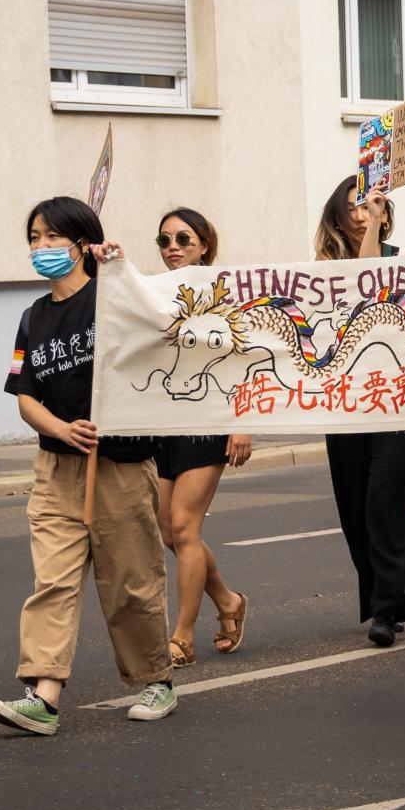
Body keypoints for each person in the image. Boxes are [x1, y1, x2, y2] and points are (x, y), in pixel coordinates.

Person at [0, 197, 175, 735]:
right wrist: (61, 428)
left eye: (51, 237)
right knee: (53, 583)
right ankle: (43, 695)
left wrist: (119, 268)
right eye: (34, 237)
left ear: (82, 244)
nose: (40, 247)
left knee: (131, 582)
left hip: (120, 467)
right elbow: (24, 396)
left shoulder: (112, 298)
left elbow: (162, 324)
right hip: (57, 472)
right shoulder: (32, 318)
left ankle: (156, 679)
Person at [314, 176, 405, 648]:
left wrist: (376, 229)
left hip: (394, 398)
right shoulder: (320, 271)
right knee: (355, 504)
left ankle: (385, 607)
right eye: (353, 207)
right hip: (343, 403)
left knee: (385, 496)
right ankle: (392, 595)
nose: (362, 213)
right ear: (336, 215)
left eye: (370, 207)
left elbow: (372, 285)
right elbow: (352, 292)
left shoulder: (401, 261)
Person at [152, 208, 252, 667]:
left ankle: (182, 636)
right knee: (168, 531)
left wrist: (242, 421)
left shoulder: (224, 293)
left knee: (185, 527)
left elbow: (246, 358)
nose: (172, 247)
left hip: (210, 420)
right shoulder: (155, 293)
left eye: (183, 239)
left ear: (204, 246)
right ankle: (228, 601)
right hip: (165, 425)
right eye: (165, 239)